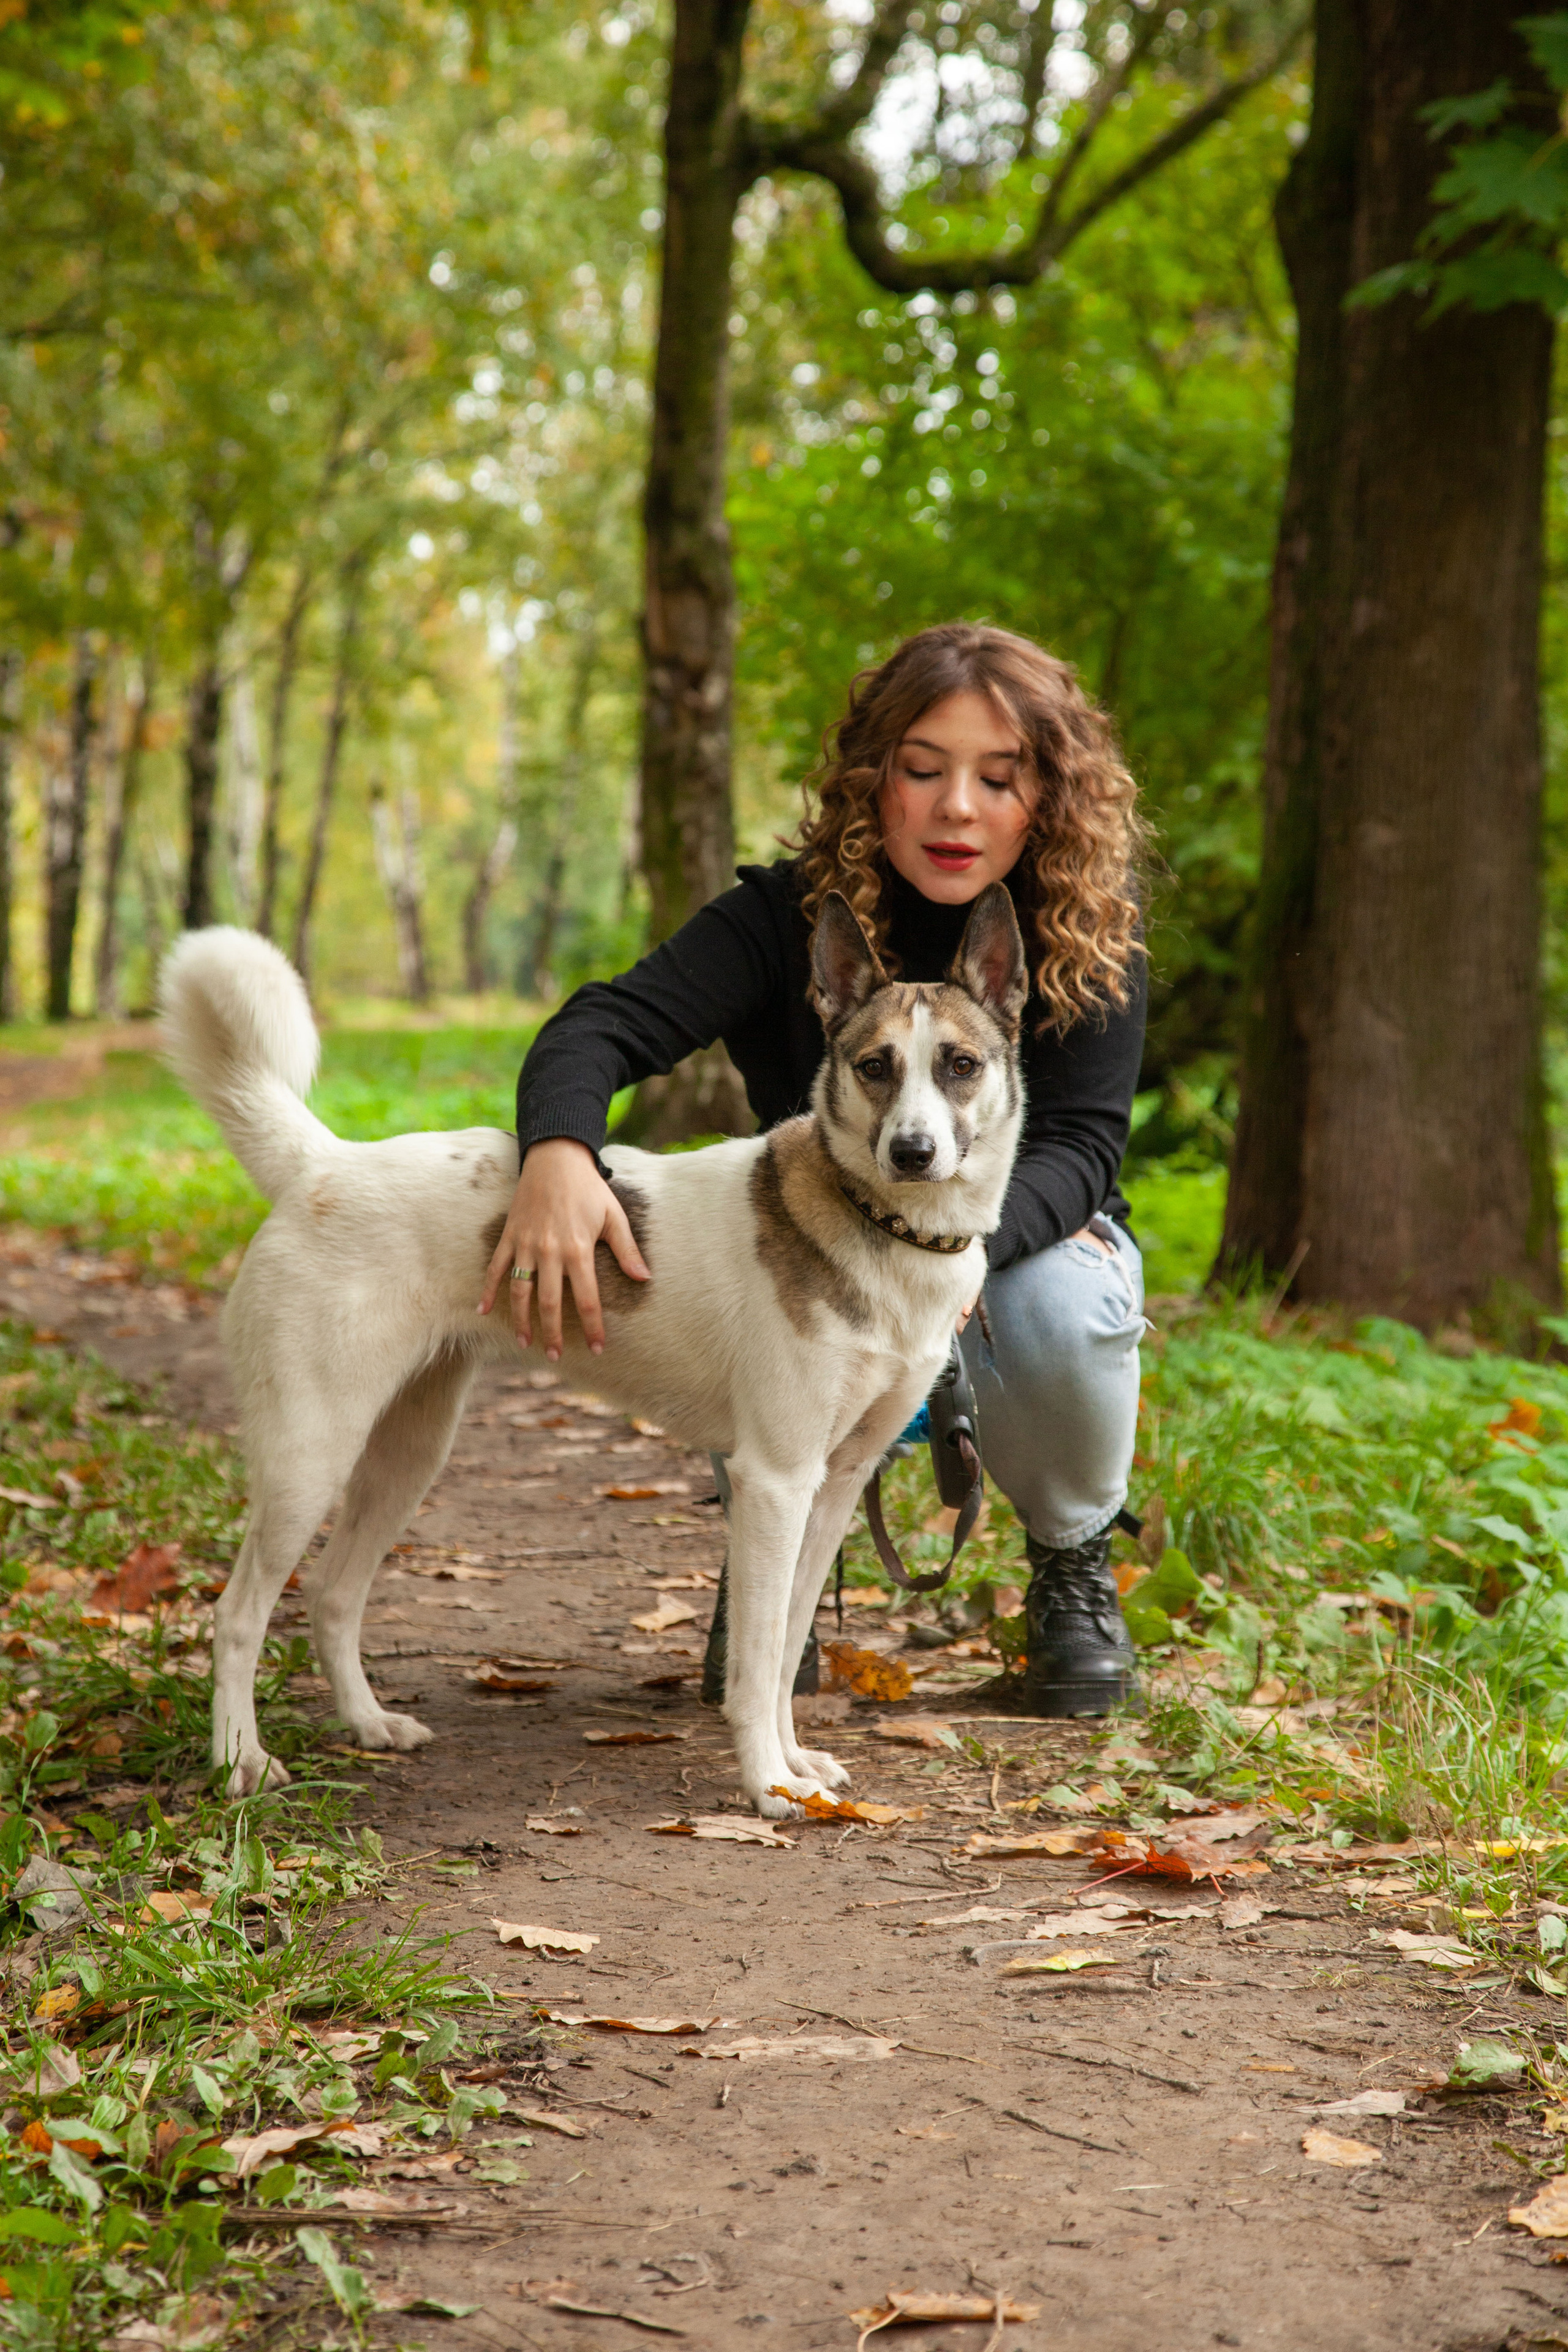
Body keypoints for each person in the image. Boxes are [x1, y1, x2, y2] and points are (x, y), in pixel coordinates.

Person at [480, 622, 1148, 1716]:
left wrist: (962, 1250)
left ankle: (1071, 1558)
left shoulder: (1084, 937)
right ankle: (777, 1560)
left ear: (1049, 798)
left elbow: (1083, 1146)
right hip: (814, 1252)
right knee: (756, 1289)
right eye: (923, 770)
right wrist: (557, 1151)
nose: (957, 807)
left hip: (1014, 1246)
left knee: (1057, 1308)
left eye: (997, 778)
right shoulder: (780, 921)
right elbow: (601, 1026)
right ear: (873, 778)